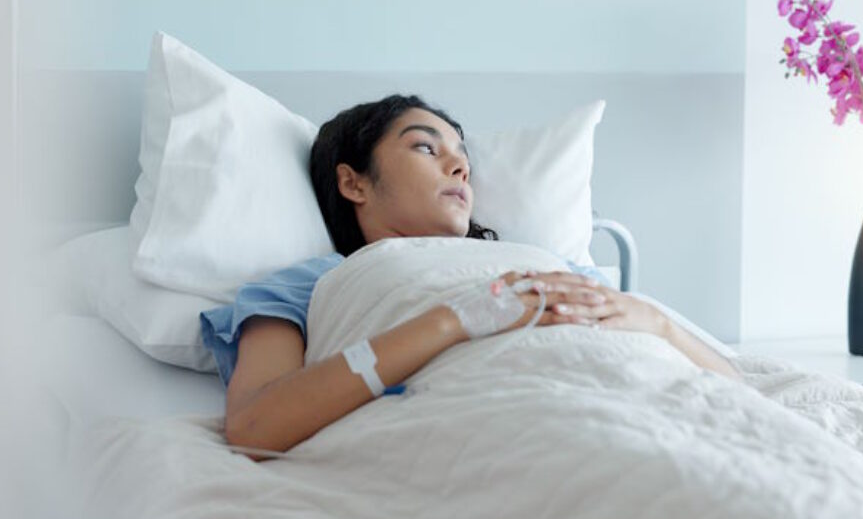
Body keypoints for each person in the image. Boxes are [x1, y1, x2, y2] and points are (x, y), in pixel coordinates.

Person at [200, 94, 738, 461]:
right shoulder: (307, 284)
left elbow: (741, 392)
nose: (459, 168)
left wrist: (658, 325)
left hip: (646, 411)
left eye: (463, 159)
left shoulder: (542, 261)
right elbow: (254, 429)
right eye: (426, 147)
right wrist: (453, 321)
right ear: (353, 183)